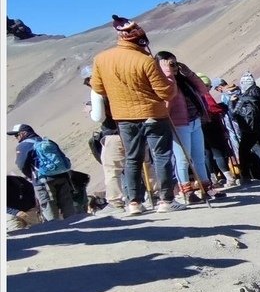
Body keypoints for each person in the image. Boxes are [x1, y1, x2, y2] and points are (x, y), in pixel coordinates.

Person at [90, 15, 184, 214]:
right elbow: (165, 92)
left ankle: (134, 202)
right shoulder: (145, 60)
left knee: (132, 158)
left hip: (123, 117)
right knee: (161, 156)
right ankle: (166, 200)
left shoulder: (101, 59)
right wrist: (170, 80)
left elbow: (98, 87)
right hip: (153, 114)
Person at [156, 51, 222, 202]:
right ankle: (186, 191)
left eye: (173, 62)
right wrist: (168, 75)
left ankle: (207, 187)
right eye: (167, 63)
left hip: (194, 121)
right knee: (183, 159)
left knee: (199, 156)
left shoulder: (184, 81)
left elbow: (203, 89)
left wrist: (189, 73)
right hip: (178, 124)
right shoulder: (163, 83)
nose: (172, 66)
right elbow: (166, 99)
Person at [10, 123, 78, 221]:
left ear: (24, 133)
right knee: (67, 203)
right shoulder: (46, 141)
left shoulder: (23, 146)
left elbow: (22, 165)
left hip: (43, 181)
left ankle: (57, 230)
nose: (16, 137)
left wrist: (31, 177)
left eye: (17, 135)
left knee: (49, 207)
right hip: (62, 177)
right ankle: (76, 222)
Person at [83, 65, 128, 215]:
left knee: (112, 169)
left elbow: (98, 117)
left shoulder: (97, 91)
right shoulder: (121, 84)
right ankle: (150, 195)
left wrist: (90, 111)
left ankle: (115, 202)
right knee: (140, 164)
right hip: (132, 130)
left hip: (113, 134)